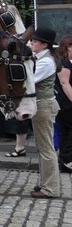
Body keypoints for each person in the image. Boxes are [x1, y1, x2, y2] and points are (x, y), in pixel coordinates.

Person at [25, 27, 61, 199]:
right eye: (32, 40)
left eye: (35, 41)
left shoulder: (46, 62)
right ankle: (45, 183)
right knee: (42, 147)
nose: (31, 42)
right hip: (41, 105)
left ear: (45, 44)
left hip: (44, 106)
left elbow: (30, 80)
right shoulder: (40, 58)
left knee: (46, 148)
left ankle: (50, 189)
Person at [55, 34, 72, 173]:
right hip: (66, 104)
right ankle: (66, 159)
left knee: (66, 132)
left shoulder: (68, 62)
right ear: (68, 47)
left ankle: (65, 162)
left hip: (66, 103)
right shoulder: (64, 64)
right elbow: (65, 83)